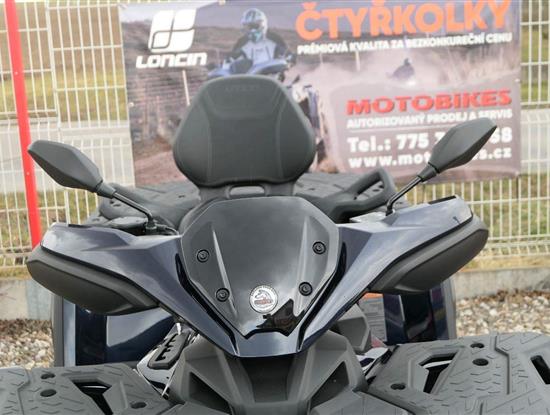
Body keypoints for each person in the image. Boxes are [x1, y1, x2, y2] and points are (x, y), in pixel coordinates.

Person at [228, 8, 292, 66]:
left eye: (254, 26)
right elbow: (231, 58)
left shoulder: (275, 39)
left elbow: (287, 53)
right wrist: (228, 62)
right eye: (248, 27)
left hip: (273, 73)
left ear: (262, 25)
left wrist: (289, 58)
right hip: (249, 75)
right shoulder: (242, 42)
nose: (252, 30)